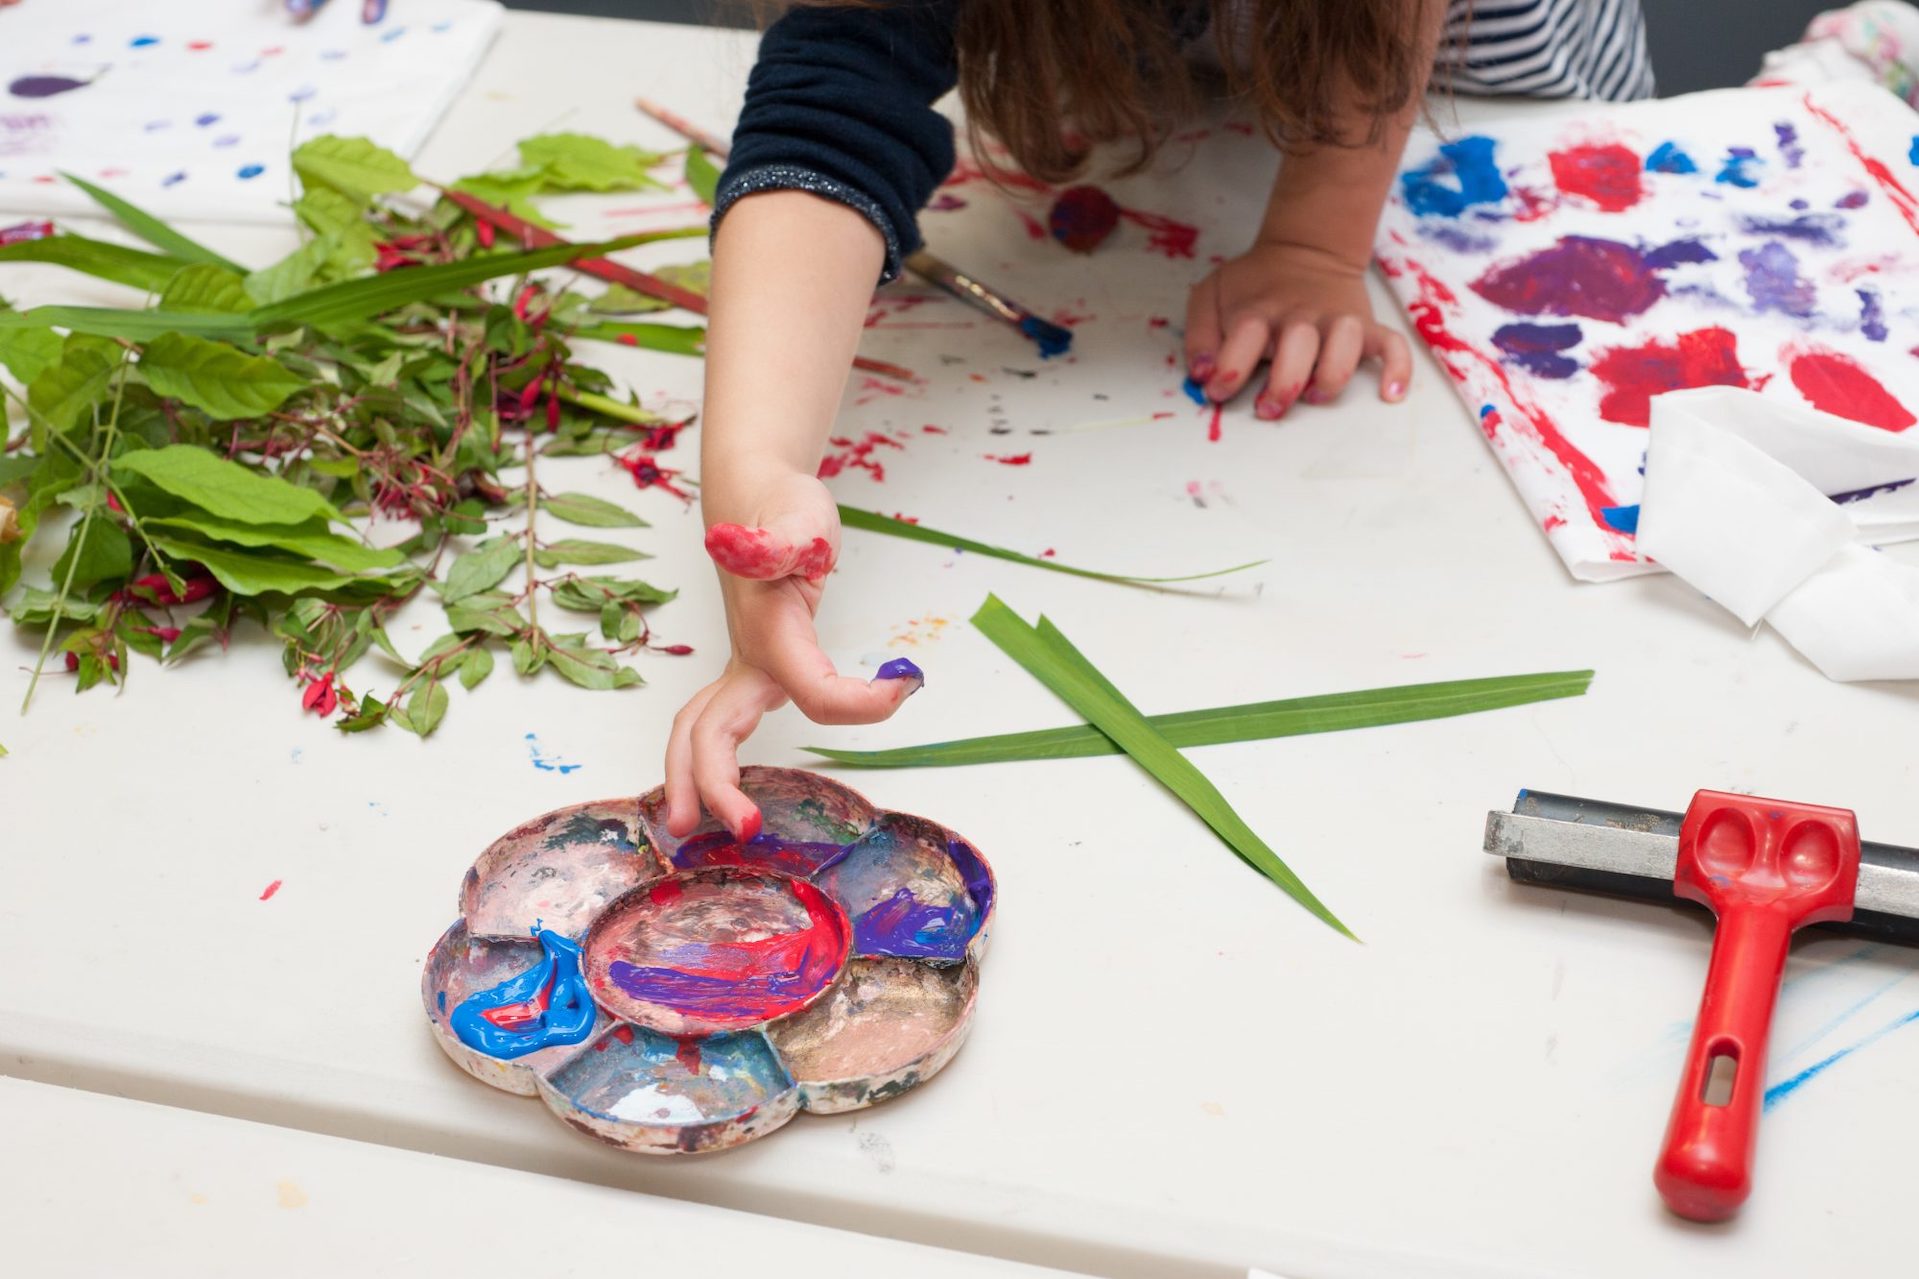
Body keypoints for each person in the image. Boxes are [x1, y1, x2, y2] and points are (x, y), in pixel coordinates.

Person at [663, 0, 1656, 842]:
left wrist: (1315, 241)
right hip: (1196, 92)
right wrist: (757, 472)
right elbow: (833, 104)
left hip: (1482, 97)